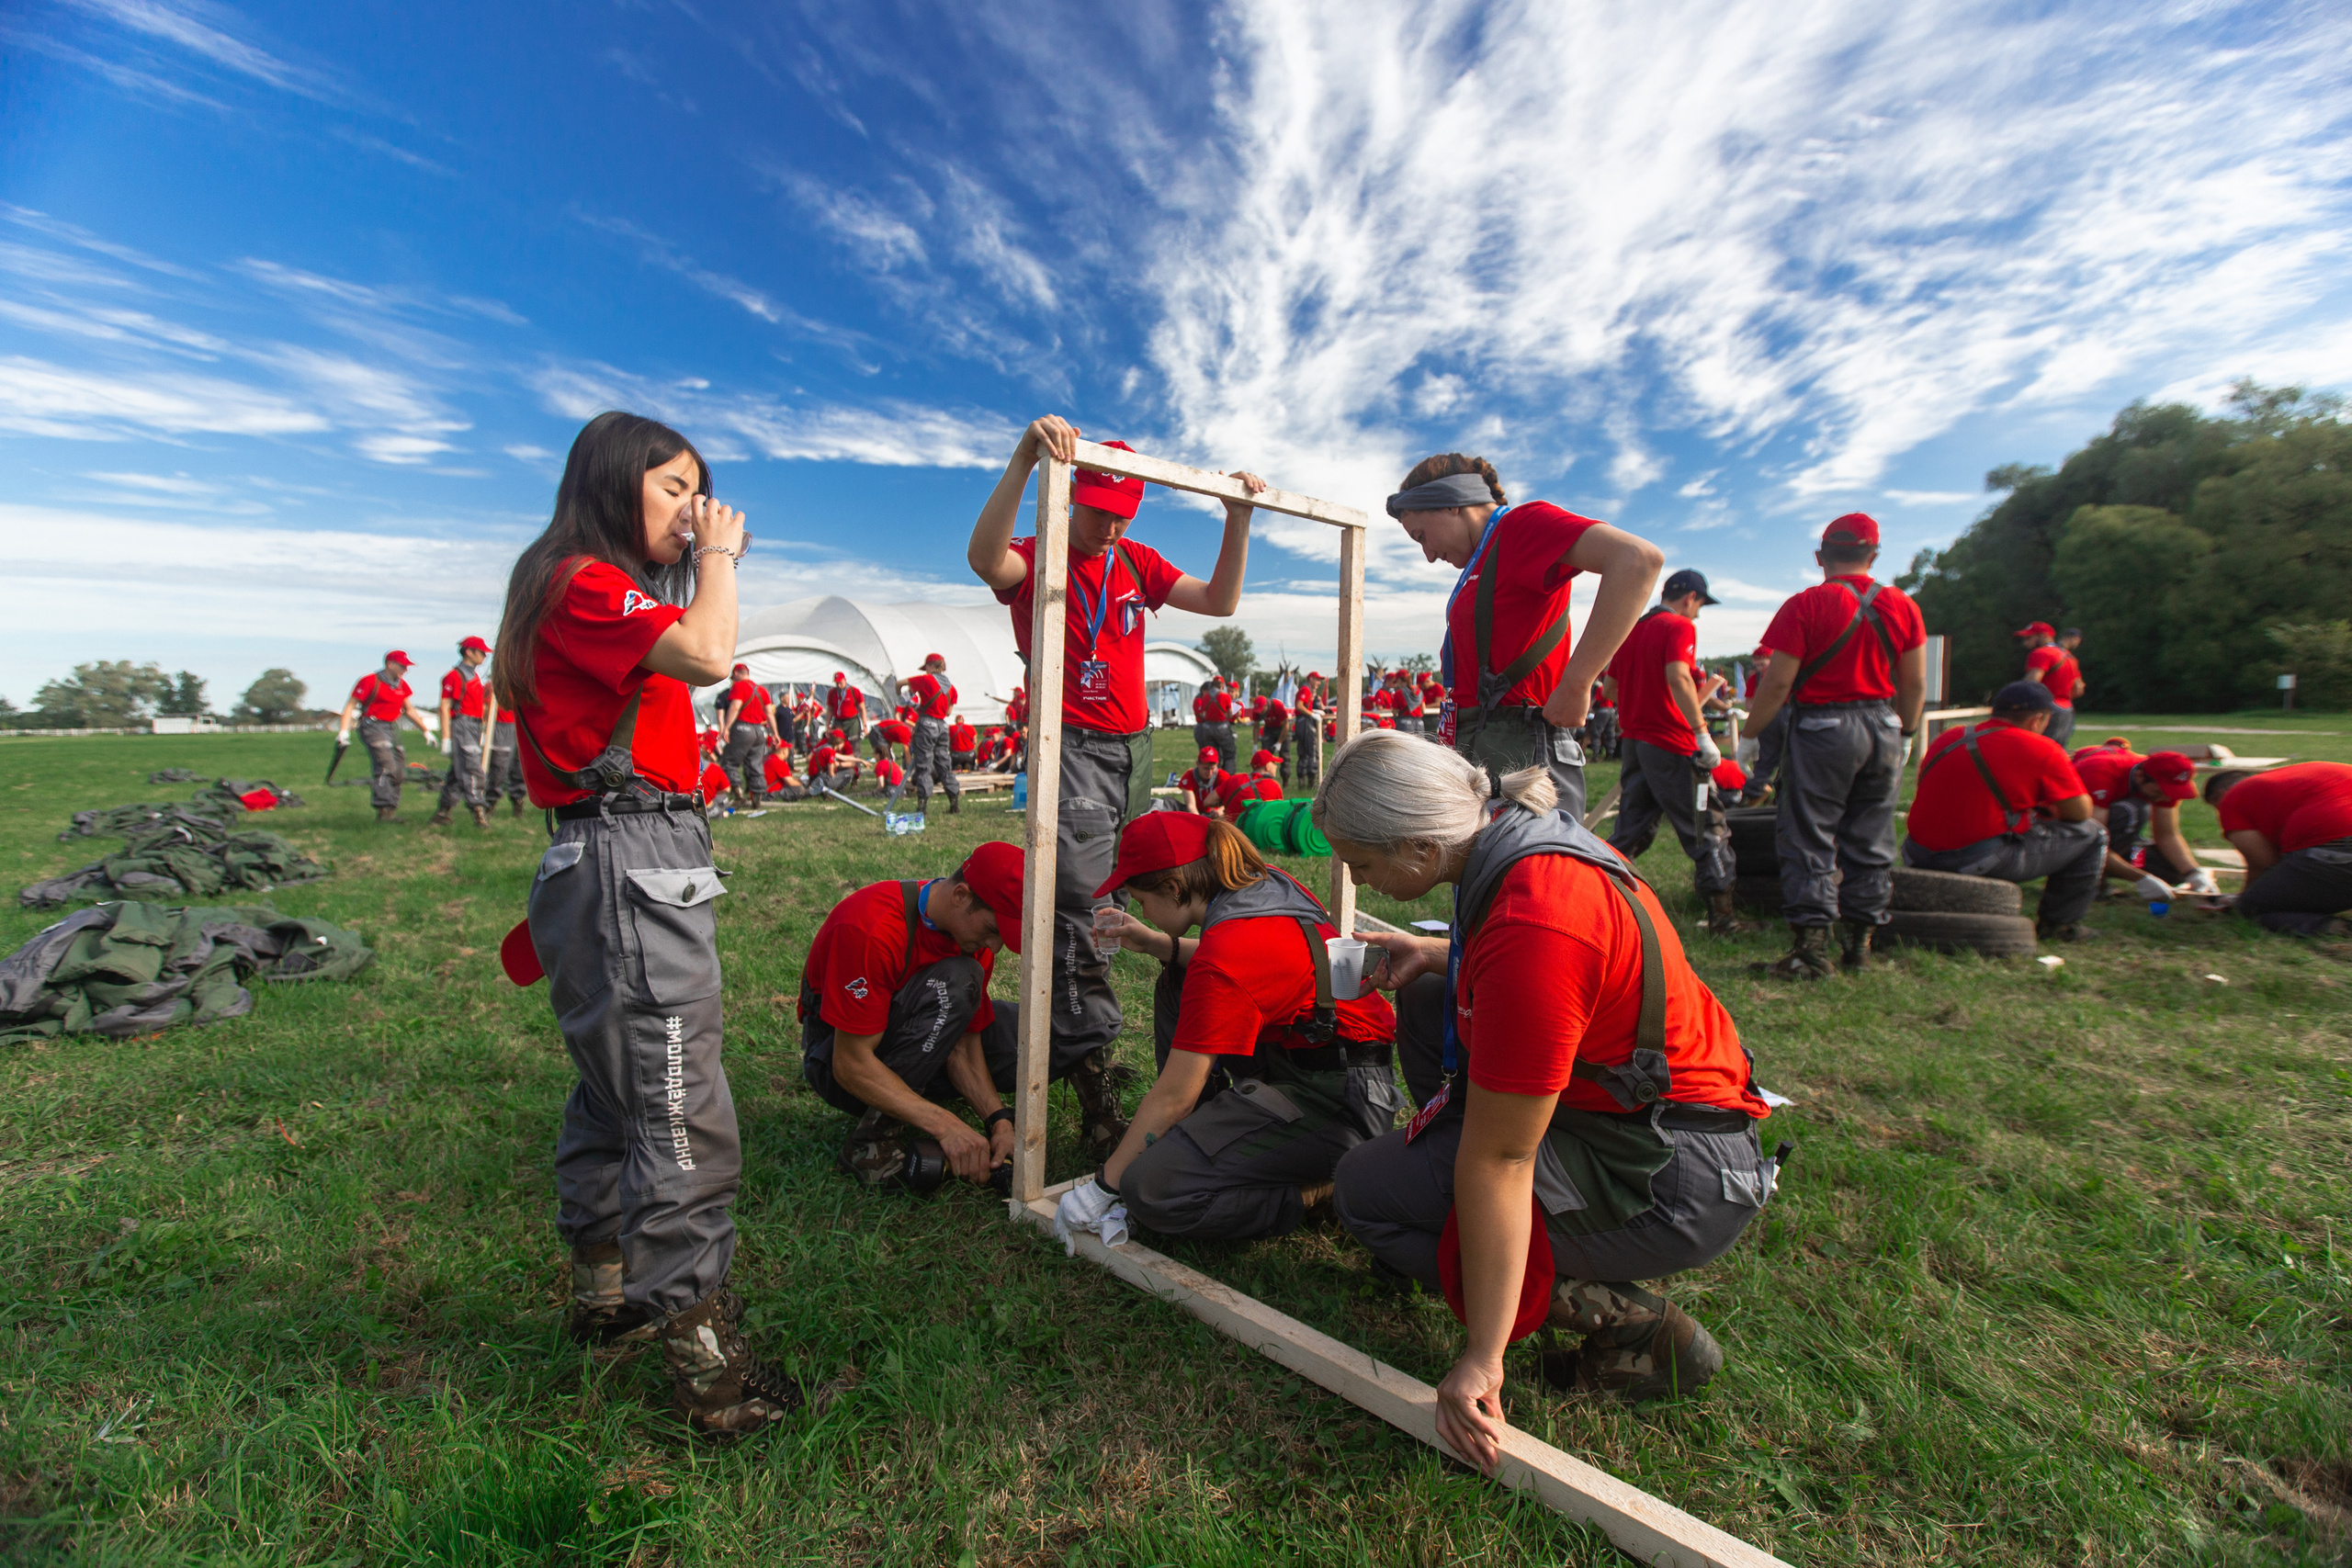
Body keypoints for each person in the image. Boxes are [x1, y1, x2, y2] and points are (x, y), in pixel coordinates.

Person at [1308, 732, 1769, 1468]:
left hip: (1676, 1174)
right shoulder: (1511, 839)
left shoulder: (1534, 925)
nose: (1357, 878)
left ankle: (1626, 1321)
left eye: (1363, 863)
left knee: (1364, 1190)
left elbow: (1502, 1157)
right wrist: (1435, 955)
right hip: (1656, 1117)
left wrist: (1482, 1355)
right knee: (1429, 1001)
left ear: (1421, 848)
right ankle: (1458, 1199)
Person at [492, 410, 814, 1436]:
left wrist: (696, 551)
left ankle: (608, 1290)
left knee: (614, 1090)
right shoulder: (586, 582)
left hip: (604, 855)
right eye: (672, 487)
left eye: (697, 491)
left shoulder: (582, 585)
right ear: (613, 483)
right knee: (681, 1106)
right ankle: (709, 1372)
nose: (693, 507)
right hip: (631, 858)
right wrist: (718, 556)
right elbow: (711, 653)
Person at [967, 416, 1265, 1158]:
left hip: (1132, 750)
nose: (1108, 527)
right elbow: (983, 559)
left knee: (1115, 894)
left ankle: (1088, 1063)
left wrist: (1237, 518)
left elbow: (1221, 601)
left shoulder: (1135, 560)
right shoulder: (1041, 557)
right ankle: (1091, 1079)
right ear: (1072, 499)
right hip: (1071, 746)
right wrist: (1023, 464)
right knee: (1076, 900)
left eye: (1122, 514)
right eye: (1098, 511)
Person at [1055, 813, 1403, 1245]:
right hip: (1324, 1061)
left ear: (1174, 888)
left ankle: (1323, 1189)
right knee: (1177, 976)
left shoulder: (1226, 957)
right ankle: (1214, 1140)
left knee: (1149, 1189)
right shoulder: (1262, 886)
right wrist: (1156, 942)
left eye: (1141, 901)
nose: (1141, 911)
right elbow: (1251, 968)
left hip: (1338, 1100)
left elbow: (1173, 1097)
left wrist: (1104, 1187)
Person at [1386, 453, 1665, 818]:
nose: (1428, 556)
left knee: (1532, 872)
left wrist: (1578, 682)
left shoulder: (1519, 526)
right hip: (1491, 744)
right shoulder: (1487, 553)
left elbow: (1637, 559)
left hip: (1522, 748)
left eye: (1421, 536)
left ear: (1452, 505)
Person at [1742, 513, 1928, 977]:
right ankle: (1860, 944)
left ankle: (1810, 950)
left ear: (1820, 556)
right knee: (1871, 836)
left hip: (1823, 728)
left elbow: (1778, 682)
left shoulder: (1805, 604)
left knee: (1809, 837)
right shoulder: (1903, 605)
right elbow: (1916, 681)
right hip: (1883, 724)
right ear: (1874, 556)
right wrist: (1904, 731)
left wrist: (1750, 736)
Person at [799, 844, 1046, 1188]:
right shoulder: (870, 927)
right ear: (961, 895)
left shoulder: (972, 942)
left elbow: (962, 1044)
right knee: (959, 981)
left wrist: (999, 1120)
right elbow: (850, 1063)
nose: (994, 946)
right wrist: (945, 1124)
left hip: (907, 1044)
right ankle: (870, 1145)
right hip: (835, 1061)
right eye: (992, 929)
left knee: (1043, 1032)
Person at [1899, 682, 2104, 942]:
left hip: (1917, 854)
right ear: (2038, 719)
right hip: (1976, 859)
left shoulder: (1948, 737)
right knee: (2094, 833)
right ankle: (2059, 925)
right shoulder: (2042, 748)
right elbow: (2080, 813)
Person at [1602, 570, 1747, 932]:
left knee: (1629, 832)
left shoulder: (1631, 629)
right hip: (1671, 742)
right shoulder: (1679, 626)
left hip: (1636, 743)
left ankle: (1602, 901)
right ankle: (1723, 919)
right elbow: (1679, 677)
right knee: (1706, 827)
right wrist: (1700, 733)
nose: (1697, 614)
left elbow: (1611, 689)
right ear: (1690, 598)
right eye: (1699, 605)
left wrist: (1642, 707)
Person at [2207, 763, 2352, 936]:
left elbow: (2265, 863)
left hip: (2336, 850)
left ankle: (2332, 927)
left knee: (2252, 908)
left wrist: (2243, 899)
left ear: (2221, 796)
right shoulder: (2302, 776)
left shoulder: (2233, 798)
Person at [2072, 744, 2211, 895]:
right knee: (2133, 811)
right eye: (2161, 791)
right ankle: (2090, 879)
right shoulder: (2100, 772)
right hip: (2072, 836)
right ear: (2139, 777)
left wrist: (2193, 872)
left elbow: (2167, 835)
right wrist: (2141, 878)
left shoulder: (2161, 779)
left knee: (2174, 870)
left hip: (2118, 842)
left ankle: (2126, 863)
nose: (2166, 797)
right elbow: (2091, 841)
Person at [336, 651, 439, 824]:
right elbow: (350, 705)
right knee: (386, 767)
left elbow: (409, 710)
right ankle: (383, 810)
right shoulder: (369, 681)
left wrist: (425, 730)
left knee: (399, 771)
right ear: (390, 664)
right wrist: (343, 731)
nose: (406, 670)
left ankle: (391, 808)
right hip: (373, 726)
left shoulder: (401, 685)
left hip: (392, 727)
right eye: (403, 666)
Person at [429, 637, 495, 829]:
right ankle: (478, 813)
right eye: (481, 652)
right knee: (473, 769)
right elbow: (444, 706)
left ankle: (443, 812)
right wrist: (447, 738)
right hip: (462, 724)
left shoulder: (474, 677)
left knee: (458, 772)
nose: (484, 656)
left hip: (473, 725)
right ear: (469, 652)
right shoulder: (455, 676)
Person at [899, 653, 962, 815]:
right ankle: (954, 804)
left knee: (924, 765)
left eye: (926, 667)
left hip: (927, 725)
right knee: (945, 765)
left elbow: (901, 683)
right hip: (942, 727)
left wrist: (898, 693)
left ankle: (922, 807)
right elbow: (948, 712)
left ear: (931, 666)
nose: (925, 671)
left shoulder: (926, 680)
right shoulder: (951, 688)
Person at [716, 664, 779, 807]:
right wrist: (775, 733)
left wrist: (726, 728)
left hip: (743, 728)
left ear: (737, 674)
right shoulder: (762, 690)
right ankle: (757, 798)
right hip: (760, 731)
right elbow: (769, 713)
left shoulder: (739, 687)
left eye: (733, 677)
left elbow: (735, 706)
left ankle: (739, 796)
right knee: (755, 764)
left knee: (729, 762)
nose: (732, 680)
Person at [2016, 623, 2084, 750]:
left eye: (2028, 638)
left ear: (2043, 636)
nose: (2025, 643)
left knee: (2036, 750)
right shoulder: (2070, 657)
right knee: (2057, 752)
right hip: (2067, 710)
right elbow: (2078, 689)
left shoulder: (2041, 653)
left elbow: (2032, 682)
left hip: (2046, 709)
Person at [1736, 644, 1781, 807]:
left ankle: (1776, 798)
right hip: (1767, 721)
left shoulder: (1782, 673)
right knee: (1763, 761)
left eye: (1763, 664)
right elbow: (1748, 704)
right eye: (1757, 665)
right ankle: (1752, 796)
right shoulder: (1756, 679)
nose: (1760, 668)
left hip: (1780, 717)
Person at [483, 693, 529, 818]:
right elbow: (485, 706)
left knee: (520, 766)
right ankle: (490, 802)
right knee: (500, 766)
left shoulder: (527, 683)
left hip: (523, 724)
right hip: (503, 724)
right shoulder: (496, 685)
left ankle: (518, 801)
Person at [1224, 750, 1285, 819]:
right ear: (1267, 767)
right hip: (1258, 828)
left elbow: (1210, 800)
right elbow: (1280, 812)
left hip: (1231, 828)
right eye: (1273, 763)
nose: (1276, 766)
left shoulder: (1234, 779)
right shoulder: (1274, 786)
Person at [1196, 678, 1238, 772]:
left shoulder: (1205, 697)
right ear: (1222, 686)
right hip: (1222, 727)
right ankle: (1227, 777)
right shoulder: (1225, 696)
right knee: (1229, 754)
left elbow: (1203, 713)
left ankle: (1213, 777)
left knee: (1213, 755)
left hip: (1207, 728)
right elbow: (1230, 714)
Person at [1176, 746, 1231, 816]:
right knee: (1168, 801)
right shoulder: (1189, 776)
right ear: (1197, 764)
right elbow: (1191, 806)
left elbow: (1230, 800)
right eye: (1206, 768)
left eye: (1212, 768)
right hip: (1196, 812)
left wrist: (1221, 810)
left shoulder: (1223, 776)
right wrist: (1200, 821)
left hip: (1216, 814)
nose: (1209, 772)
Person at [1292, 673, 1324, 789]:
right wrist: (1312, 715)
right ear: (1311, 679)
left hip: (1300, 722)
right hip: (1306, 723)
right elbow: (1299, 706)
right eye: (1317, 680)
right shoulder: (1306, 690)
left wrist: (1314, 711)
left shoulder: (1304, 689)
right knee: (1312, 752)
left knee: (1303, 752)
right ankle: (1311, 783)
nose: (1319, 683)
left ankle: (1302, 780)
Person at [825, 671, 865, 743]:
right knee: (837, 742)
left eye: (840, 682)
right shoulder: (832, 693)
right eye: (837, 683)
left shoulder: (854, 691)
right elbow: (830, 710)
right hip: (838, 721)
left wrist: (865, 726)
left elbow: (862, 709)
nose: (839, 685)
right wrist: (827, 726)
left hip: (852, 721)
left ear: (845, 680)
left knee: (853, 743)